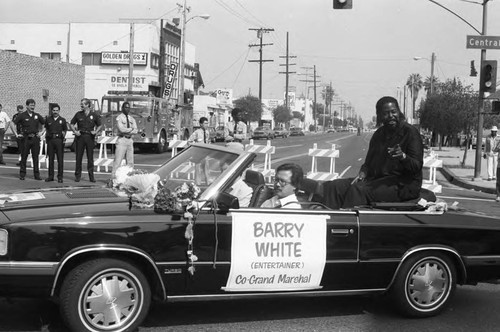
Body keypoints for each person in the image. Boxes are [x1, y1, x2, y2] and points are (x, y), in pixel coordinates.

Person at [323, 96, 423, 209]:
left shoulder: (410, 133)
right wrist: (363, 173)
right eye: (386, 113)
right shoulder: (378, 134)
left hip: (403, 185)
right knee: (336, 186)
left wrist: (403, 157)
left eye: (394, 112)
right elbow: (368, 164)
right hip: (378, 180)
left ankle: (347, 223)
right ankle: (330, 219)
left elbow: (417, 166)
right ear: (379, 116)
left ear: (399, 112)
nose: (391, 116)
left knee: (358, 190)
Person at [70, 98, 102, 182]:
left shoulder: (94, 115)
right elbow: (71, 124)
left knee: (90, 158)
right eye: (81, 104)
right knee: (78, 157)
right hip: (80, 137)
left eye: (83, 104)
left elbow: (100, 125)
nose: (81, 105)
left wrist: (95, 131)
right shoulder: (78, 114)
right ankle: (77, 176)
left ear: (87, 105)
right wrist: (75, 131)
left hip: (89, 137)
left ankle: (91, 177)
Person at [13, 99, 46, 180]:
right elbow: (12, 123)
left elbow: (45, 123)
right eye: (31, 105)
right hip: (26, 138)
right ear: (27, 106)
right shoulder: (22, 115)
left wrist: (41, 132)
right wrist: (16, 134)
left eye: (34, 105)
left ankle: (36, 175)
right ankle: (22, 174)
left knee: (35, 157)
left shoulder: (37, 115)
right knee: (24, 156)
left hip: (35, 138)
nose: (33, 107)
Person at [111, 101, 138, 180]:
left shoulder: (131, 118)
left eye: (128, 107)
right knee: (117, 161)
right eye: (126, 107)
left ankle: (130, 179)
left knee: (130, 162)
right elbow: (121, 129)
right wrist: (131, 129)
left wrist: (131, 130)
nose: (127, 109)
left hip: (130, 141)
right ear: (122, 108)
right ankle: (113, 179)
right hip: (122, 140)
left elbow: (136, 130)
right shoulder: (119, 118)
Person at [44, 104, 67, 183]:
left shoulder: (62, 120)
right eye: (54, 110)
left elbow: (65, 130)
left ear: (59, 111)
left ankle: (60, 177)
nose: (55, 112)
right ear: (51, 111)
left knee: (60, 160)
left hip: (59, 141)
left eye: (57, 110)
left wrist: (63, 136)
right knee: (51, 159)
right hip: (50, 140)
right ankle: (50, 176)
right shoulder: (48, 119)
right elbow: (46, 128)